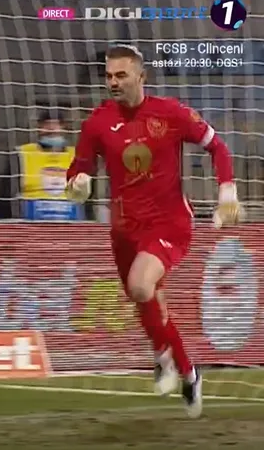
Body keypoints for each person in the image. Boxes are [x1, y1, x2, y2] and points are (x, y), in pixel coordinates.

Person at [65, 44, 242, 419]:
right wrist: (77, 183)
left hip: (168, 222)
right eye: (108, 76)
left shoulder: (170, 113)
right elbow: (79, 167)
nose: (113, 82)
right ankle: (187, 371)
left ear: (141, 76)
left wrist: (227, 192)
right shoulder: (97, 122)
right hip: (123, 228)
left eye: (121, 75)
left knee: (141, 285)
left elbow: (218, 147)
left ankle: (163, 358)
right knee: (147, 301)